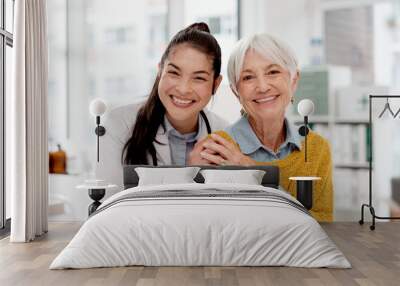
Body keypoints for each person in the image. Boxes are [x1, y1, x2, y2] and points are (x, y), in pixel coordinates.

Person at [192, 33, 333, 222]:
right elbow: (217, 227)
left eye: (273, 72)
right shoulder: (217, 148)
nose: (262, 86)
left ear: (293, 80)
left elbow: (323, 224)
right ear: (236, 91)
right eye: (248, 77)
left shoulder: (317, 148)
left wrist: (252, 171)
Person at [96, 22, 227, 191]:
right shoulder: (118, 125)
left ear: (216, 84)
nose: (183, 89)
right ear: (160, 71)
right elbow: (109, 207)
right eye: (174, 73)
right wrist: (190, 175)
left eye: (199, 78)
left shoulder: (224, 134)